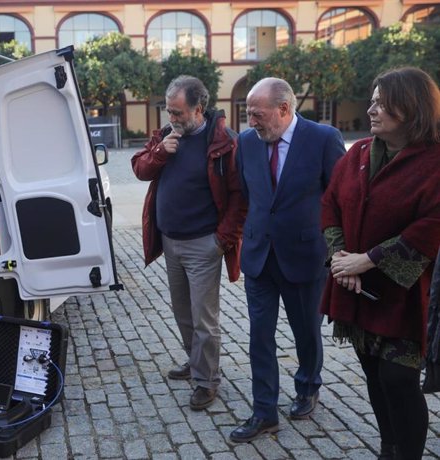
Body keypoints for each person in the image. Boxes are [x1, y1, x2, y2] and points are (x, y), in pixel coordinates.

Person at [321, 67, 440, 460]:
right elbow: (330, 205)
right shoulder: (356, 153)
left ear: (410, 107)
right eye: (371, 101)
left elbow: (432, 224)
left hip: (407, 295)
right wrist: (341, 260)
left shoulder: (435, 161)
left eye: (380, 102)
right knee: (372, 371)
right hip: (357, 290)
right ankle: (388, 448)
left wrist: (369, 260)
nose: (371, 110)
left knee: (399, 379)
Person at [230, 78, 345, 443]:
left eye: (257, 114)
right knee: (259, 336)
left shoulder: (323, 138)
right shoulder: (246, 143)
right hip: (259, 256)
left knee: (306, 332)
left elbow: (339, 195)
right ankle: (264, 412)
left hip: (304, 255)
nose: (251, 122)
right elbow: (250, 194)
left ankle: (308, 385)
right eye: (248, 114)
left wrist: (336, 247)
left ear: (284, 109)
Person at [131, 75, 246, 410]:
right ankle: (196, 362)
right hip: (170, 241)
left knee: (203, 317)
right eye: (169, 111)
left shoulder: (223, 141)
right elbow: (139, 169)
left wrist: (221, 240)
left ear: (199, 109)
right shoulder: (165, 137)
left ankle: (207, 381)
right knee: (182, 311)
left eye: (179, 113)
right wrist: (159, 154)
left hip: (203, 244)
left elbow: (240, 198)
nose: (173, 118)